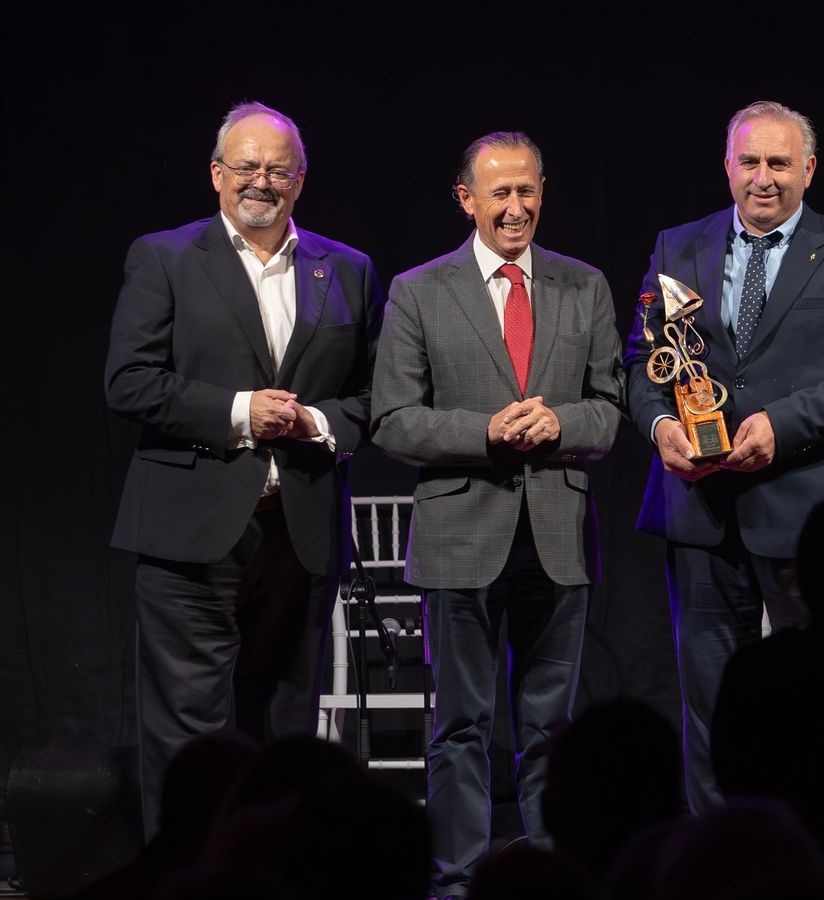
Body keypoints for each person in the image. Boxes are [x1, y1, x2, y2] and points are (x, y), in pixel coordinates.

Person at [105, 101, 382, 837]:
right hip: (190, 531)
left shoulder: (347, 269)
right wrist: (237, 410)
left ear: (301, 179)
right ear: (216, 175)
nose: (262, 181)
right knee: (189, 729)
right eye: (247, 167)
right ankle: (185, 872)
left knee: (288, 722)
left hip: (298, 534)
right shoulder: (163, 258)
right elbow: (128, 381)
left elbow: (376, 395)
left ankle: (275, 870)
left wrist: (317, 423)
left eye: (278, 169)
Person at [624, 100, 824, 812]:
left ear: (807, 170)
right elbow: (641, 363)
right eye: (749, 162)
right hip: (699, 507)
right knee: (709, 707)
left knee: (820, 701)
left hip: (804, 512)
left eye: (779, 163)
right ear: (727, 166)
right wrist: (661, 428)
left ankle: (822, 846)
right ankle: (717, 859)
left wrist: (779, 426)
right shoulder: (674, 247)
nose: (763, 178)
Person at [371, 130, 623, 896]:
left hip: (556, 535)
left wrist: (563, 425)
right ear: (466, 199)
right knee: (460, 729)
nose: (515, 208)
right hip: (460, 536)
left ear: (543, 191)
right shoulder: (418, 290)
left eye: (527, 191)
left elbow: (610, 409)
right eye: (499, 193)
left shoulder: (585, 286)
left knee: (552, 730)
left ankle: (554, 878)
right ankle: (455, 883)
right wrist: (484, 432)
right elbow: (392, 420)